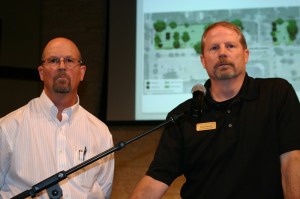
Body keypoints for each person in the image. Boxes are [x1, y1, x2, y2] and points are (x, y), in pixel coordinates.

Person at [129, 21, 300, 199]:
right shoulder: (183, 116)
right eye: (214, 48)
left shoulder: (276, 94)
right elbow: (156, 179)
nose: (222, 53)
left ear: (246, 54)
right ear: (203, 61)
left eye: (230, 46)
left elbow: (292, 161)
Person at [0, 37, 114, 199]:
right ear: (41, 72)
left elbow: (104, 191)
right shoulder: (8, 127)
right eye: (53, 60)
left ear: (81, 72)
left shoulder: (100, 132)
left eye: (69, 60)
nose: (62, 66)